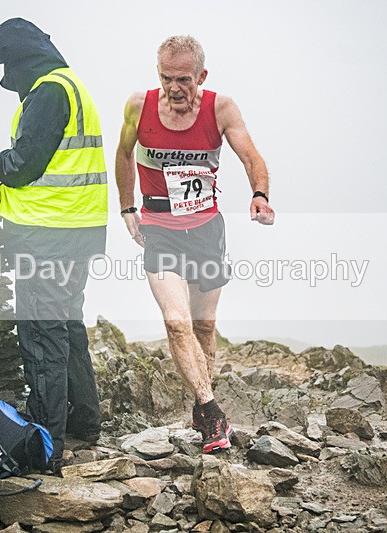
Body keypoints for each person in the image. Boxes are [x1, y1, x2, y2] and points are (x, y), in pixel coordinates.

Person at [115, 36, 275, 453]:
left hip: (206, 229)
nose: (174, 88)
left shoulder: (221, 108)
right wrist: (127, 207)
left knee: (204, 325)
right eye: (166, 78)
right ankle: (210, 411)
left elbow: (251, 156)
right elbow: (123, 153)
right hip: (159, 228)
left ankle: (204, 393)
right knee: (175, 321)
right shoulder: (139, 106)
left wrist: (260, 195)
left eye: (183, 79)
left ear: (201, 76)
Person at [0, 18, 107, 474]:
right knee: (66, 326)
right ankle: (85, 423)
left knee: (42, 334)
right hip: (81, 228)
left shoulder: (47, 91)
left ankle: (46, 442)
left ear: (23, 58)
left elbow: (25, 165)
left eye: (4, 61)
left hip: (47, 233)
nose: (2, 72)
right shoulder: (70, 85)